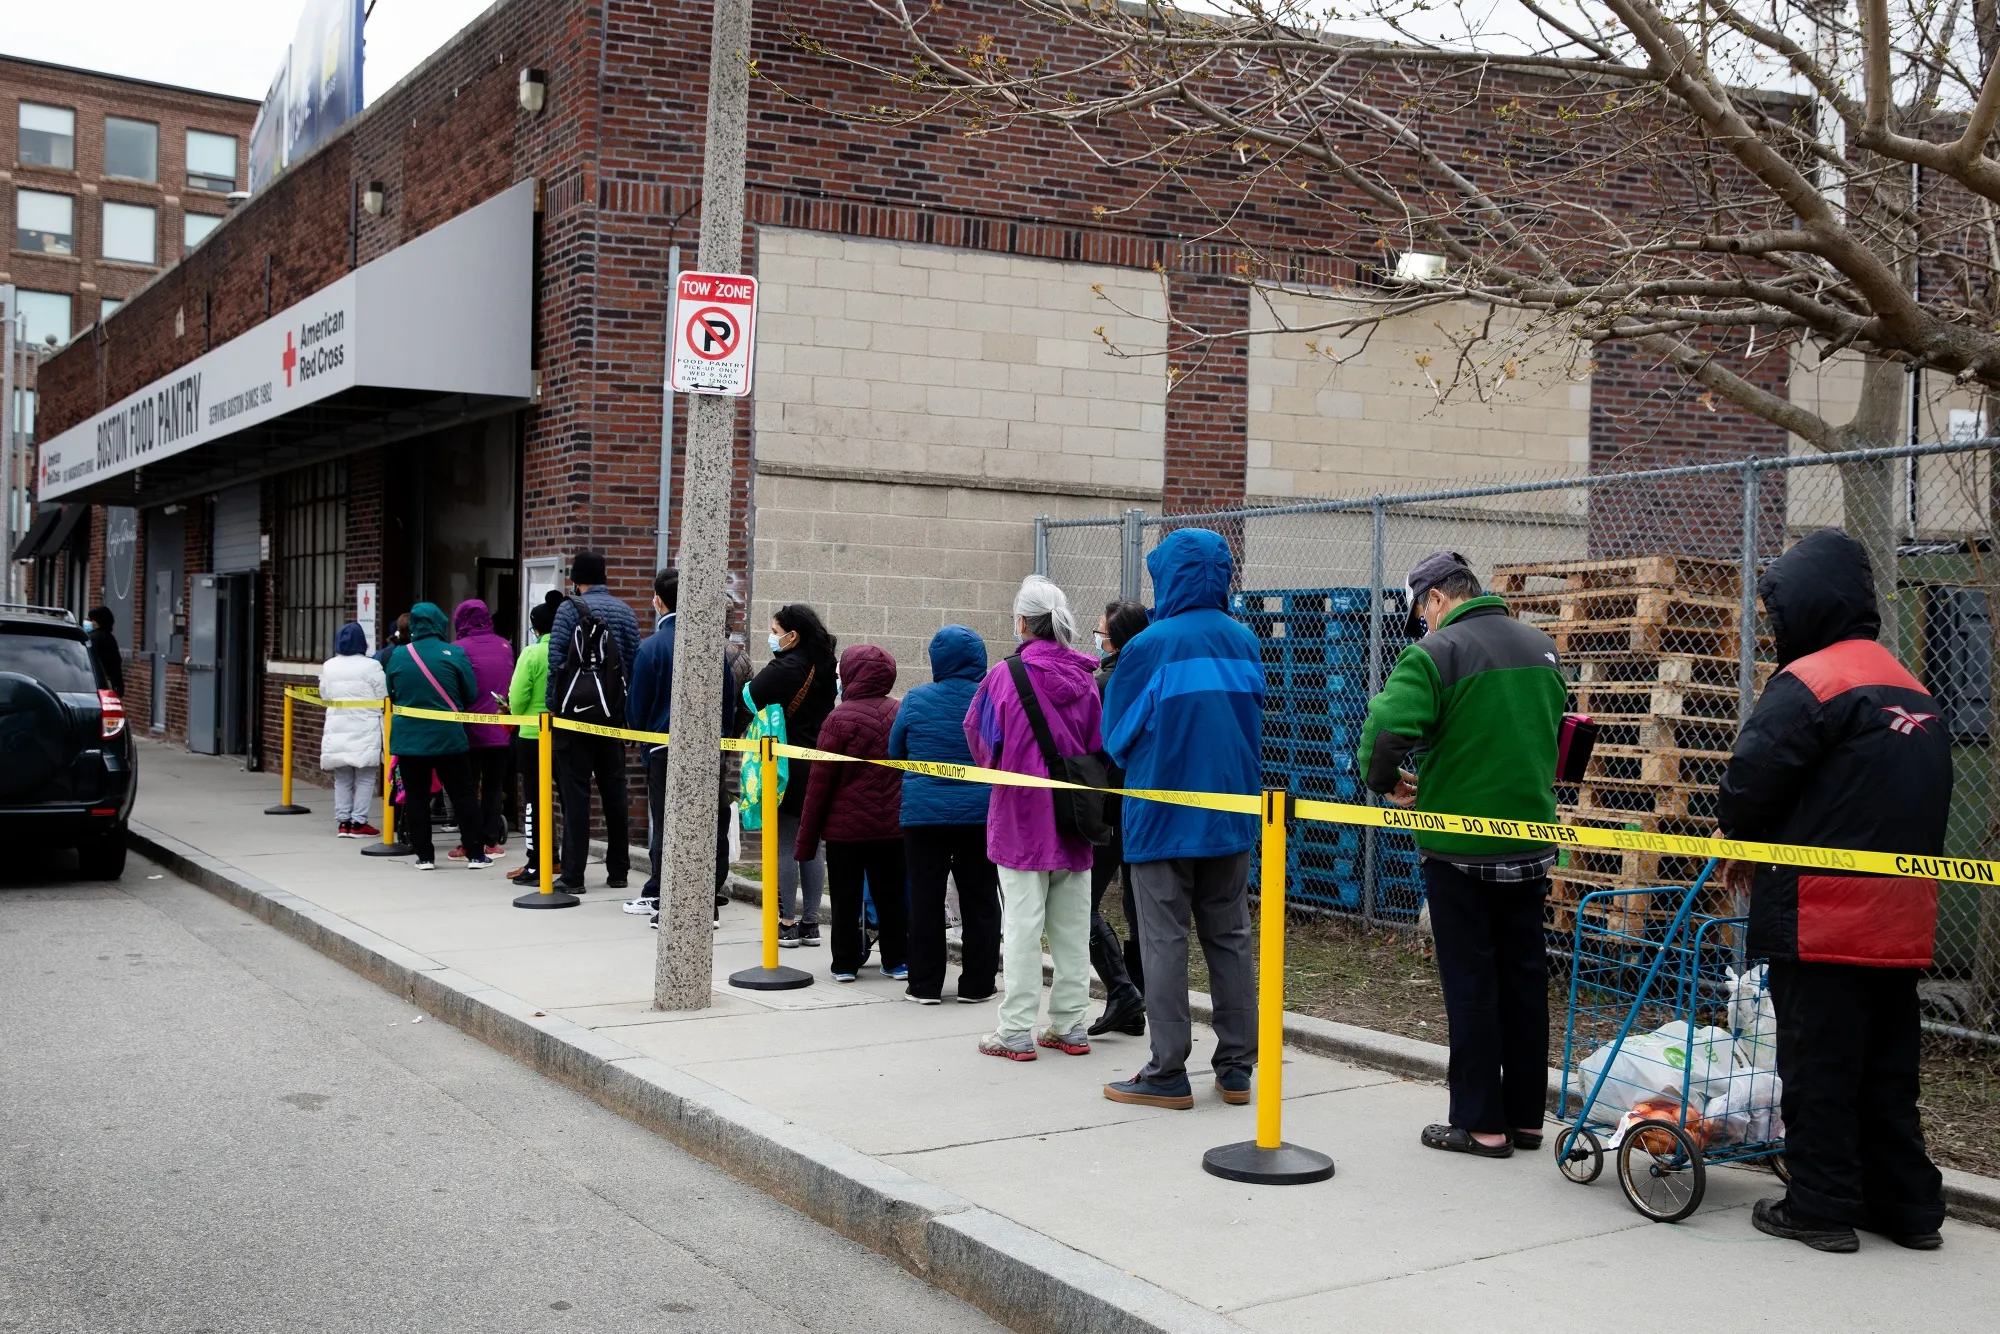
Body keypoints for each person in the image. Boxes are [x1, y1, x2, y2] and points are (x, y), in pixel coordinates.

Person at [1717, 529, 1951, 1253]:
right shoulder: (1911, 687)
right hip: (1901, 920)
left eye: (1779, 609)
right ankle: (1907, 1206)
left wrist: (1742, 834)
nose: (1775, 624)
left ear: (1808, 606)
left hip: (1822, 915)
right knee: (1885, 1071)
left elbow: (1747, 785)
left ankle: (1818, 1204)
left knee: (1819, 1065)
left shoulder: (1812, 682)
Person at [1357, 551, 1564, 1156]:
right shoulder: (1540, 646)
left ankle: (1480, 1124)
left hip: (1459, 851)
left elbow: (1385, 733)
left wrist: (1387, 780)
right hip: (1529, 842)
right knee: (1524, 979)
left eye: (1421, 612)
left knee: (1472, 982)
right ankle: (1527, 1118)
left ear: (1435, 600)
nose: (1422, 625)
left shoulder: (1435, 654)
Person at [1101, 531, 1264, 1108]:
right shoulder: (1245, 642)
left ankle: (1168, 1070)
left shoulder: (1148, 647)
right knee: (1231, 938)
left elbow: (1116, 738)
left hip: (1160, 819)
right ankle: (1237, 1067)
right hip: (1232, 814)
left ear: (1168, 576)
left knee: (1164, 940)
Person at [964, 576, 1103, 1060]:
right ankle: (1070, 1023)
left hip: (1022, 819)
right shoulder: (1086, 677)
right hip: (1076, 818)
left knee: (1022, 927)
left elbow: (981, 739)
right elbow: (1097, 745)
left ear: (1022, 622)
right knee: (1071, 928)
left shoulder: (1004, 676)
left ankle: (1016, 1029)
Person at [890, 625, 1000, 1005]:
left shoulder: (916, 698)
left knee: (925, 898)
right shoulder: (990, 699)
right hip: (981, 815)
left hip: (923, 817)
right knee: (981, 898)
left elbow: (895, 750)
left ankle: (924, 985)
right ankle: (978, 984)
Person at [795, 644, 907, 982]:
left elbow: (820, 782)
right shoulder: (900, 712)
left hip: (845, 832)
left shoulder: (838, 719)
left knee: (845, 897)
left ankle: (844, 963)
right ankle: (897, 960)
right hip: (892, 827)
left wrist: (805, 840)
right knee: (892, 896)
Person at [544, 550, 642, 892]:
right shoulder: (626, 613)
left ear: (575, 580)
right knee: (615, 792)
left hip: (573, 719)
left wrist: (552, 710)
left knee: (575, 795)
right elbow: (632, 665)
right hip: (613, 719)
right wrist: (629, 719)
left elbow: (556, 662)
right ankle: (618, 871)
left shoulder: (568, 610)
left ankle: (573, 876)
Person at [748, 603, 839, 947]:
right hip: (818, 758)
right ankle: (811, 923)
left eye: (774, 631)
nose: (771, 637)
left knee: (786, 843)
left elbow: (748, 697)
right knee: (813, 844)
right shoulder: (827, 663)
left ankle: (786, 923)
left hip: (786, 761)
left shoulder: (785, 666)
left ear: (792, 635)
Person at [384, 602, 489, 870]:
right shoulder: (454, 653)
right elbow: (470, 692)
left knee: (416, 798)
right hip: (448, 737)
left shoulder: (398, 655)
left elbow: (392, 692)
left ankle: (425, 857)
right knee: (463, 794)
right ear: (439, 623)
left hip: (410, 739)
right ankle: (475, 854)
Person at [1088, 599, 1150, 1037]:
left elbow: (1097, 745)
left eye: (1102, 632)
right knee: (1138, 909)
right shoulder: (1154, 675)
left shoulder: (1108, 683)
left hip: (1109, 808)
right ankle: (1138, 1004)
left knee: (1080, 904)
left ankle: (1123, 992)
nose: (1097, 639)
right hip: (1145, 806)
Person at [626, 570, 679, 917]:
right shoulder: (714, 648)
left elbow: (637, 706)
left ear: (658, 601)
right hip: (708, 750)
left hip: (660, 746)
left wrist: (639, 732)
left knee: (664, 821)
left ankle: (659, 889)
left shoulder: (651, 647)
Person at [451, 598, 517, 861]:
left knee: (465, 788)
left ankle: (468, 842)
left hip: (468, 731)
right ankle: (491, 840)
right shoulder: (505, 646)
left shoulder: (458, 649)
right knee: (493, 786)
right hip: (501, 729)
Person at [505, 593, 563, 884]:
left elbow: (517, 698)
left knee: (534, 801)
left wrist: (515, 712)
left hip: (531, 734)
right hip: (564, 734)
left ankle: (536, 861)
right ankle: (560, 859)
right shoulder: (568, 649)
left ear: (536, 628)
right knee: (564, 798)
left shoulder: (532, 653)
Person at [318, 620, 385, 838]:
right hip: (365, 728)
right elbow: (383, 697)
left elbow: (325, 695)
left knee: (342, 777)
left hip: (337, 726)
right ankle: (359, 823)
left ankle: (343, 822)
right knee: (365, 777)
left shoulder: (329, 666)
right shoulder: (371, 666)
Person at [85, 606, 124, 697]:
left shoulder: (92, 639)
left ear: (98, 622)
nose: (89, 622)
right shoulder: (110, 638)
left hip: (95, 685)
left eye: (91, 620)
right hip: (109, 685)